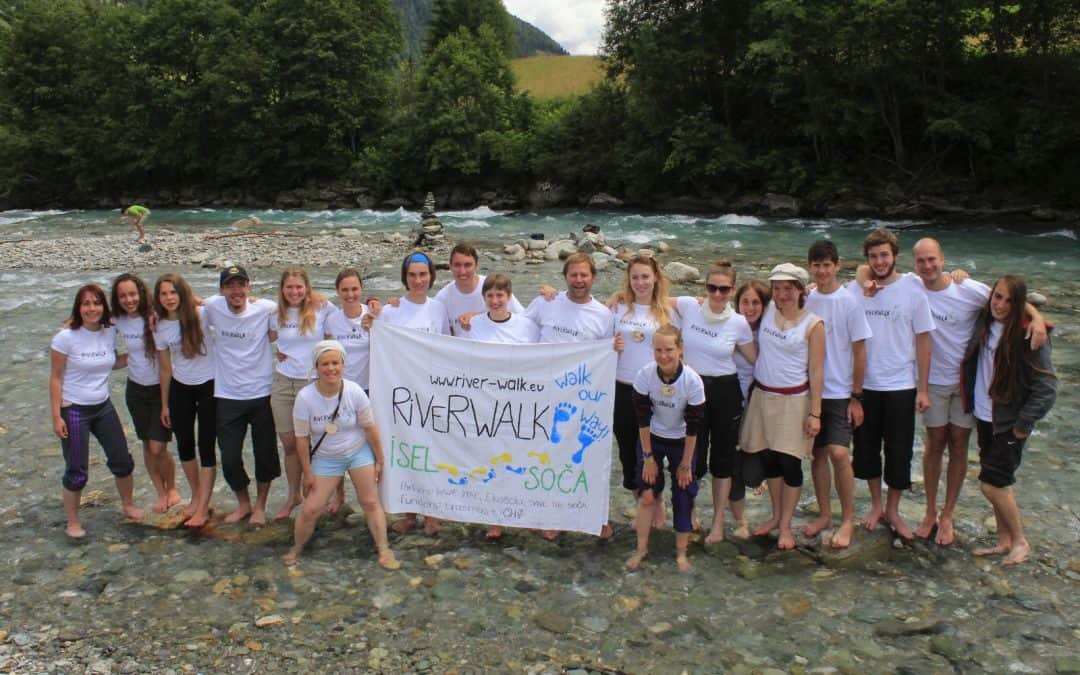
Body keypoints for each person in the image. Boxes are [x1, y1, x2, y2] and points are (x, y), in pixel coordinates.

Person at [861, 238, 1046, 545]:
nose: (927, 266)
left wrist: (1036, 318)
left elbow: (1010, 298)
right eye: (921, 261)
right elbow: (868, 269)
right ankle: (930, 511)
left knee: (959, 446)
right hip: (930, 382)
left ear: (943, 259)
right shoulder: (911, 284)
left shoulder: (967, 289)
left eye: (932, 260)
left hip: (965, 383)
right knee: (934, 445)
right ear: (914, 264)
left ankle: (948, 514)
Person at [963, 275, 1056, 565]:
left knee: (991, 484)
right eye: (997, 297)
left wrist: (1022, 425)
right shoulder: (985, 320)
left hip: (1008, 422)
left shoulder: (1029, 336)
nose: (1000, 304)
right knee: (1000, 482)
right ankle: (1003, 541)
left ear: (1018, 306)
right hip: (984, 415)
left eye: (1008, 300)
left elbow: (1048, 389)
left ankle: (1020, 541)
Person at [526, 252, 619, 539]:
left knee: (590, 456)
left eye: (584, 275)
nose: (579, 280)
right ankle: (551, 516)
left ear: (593, 277)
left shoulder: (604, 316)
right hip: (544, 395)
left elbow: (607, 359)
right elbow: (516, 331)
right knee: (548, 457)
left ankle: (594, 516)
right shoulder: (546, 303)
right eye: (574, 275)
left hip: (584, 399)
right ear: (565, 276)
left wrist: (615, 347)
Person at [282, 341, 399, 570]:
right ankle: (296, 548)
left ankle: (384, 549)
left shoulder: (354, 391)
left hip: (357, 452)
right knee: (310, 509)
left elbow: (369, 428)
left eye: (336, 363)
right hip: (326, 458)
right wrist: (307, 473)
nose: (331, 369)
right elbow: (302, 440)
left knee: (369, 501)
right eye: (325, 364)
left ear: (343, 365)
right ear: (317, 367)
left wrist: (380, 459)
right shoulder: (305, 398)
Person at [849, 228, 935, 540]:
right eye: (873, 256)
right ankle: (875, 504)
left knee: (899, 453)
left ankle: (894, 509)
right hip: (865, 386)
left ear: (895, 256)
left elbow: (924, 342)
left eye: (884, 255)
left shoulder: (913, 290)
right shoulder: (855, 289)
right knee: (867, 450)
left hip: (901, 384)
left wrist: (923, 389)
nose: (879, 261)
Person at [739, 263, 824, 550]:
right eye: (777, 288)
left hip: (794, 401)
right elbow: (737, 309)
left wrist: (815, 413)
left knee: (790, 463)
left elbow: (816, 372)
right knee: (770, 461)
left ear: (801, 290)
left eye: (788, 288)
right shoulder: (768, 311)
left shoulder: (813, 324)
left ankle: (786, 524)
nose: (782, 294)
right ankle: (775, 516)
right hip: (763, 397)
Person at [50, 284, 144, 538]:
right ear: (78, 308)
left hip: (102, 406)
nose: (91, 308)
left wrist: (142, 353)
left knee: (122, 461)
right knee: (77, 470)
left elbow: (112, 362)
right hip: (74, 410)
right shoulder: (65, 338)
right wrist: (57, 416)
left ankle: (127, 505)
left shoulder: (109, 330)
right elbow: (56, 378)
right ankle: (72, 521)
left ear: (104, 306)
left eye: (96, 303)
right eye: (86, 303)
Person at [677, 261, 757, 543]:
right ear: (705, 287)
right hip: (693, 389)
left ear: (732, 290)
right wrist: (615, 297)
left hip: (725, 390)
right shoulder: (688, 307)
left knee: (723, 460)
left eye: (724, 289)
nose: (718, 294)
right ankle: (691, 511)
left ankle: (719, 522)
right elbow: (648, 294)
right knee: (692, 455)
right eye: (712, 288)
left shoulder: (738, 323)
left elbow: (757, 359)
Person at [374, 251, 450, 536]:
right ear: (404, 278)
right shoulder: (392, 310)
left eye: (423, 274)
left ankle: (432, 514)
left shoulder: (438, 308)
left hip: (432, 391)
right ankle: (409, 513)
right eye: (412, 275)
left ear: (431, 276)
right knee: (406, 452)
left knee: (432, 452)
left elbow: (445, 346)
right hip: (402, 392)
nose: (418, 280)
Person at [459, 273, 540, 539]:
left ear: (509, 297)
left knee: (520, 461)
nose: (495, 301)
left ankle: (527, 514)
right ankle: (495, 518)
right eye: (490, 296)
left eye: (500, 295)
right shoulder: (473, 325)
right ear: (483, 298)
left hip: (519, 406)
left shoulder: (526, 326)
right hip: (485, 406)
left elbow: (540, 362)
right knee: (491, 461)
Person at [802, 241, 871, 549]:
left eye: (827, 265)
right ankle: (825, 514)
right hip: (809, 389)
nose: (822, 271)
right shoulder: (807, 299)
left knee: (840, 453)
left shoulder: (849, 302)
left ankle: (847, 519)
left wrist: (857, 396)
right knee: (816, 454)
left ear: (838, 265)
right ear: (810, 267)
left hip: (839, 390)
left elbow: (860, 352)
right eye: (816, 265)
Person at [203, 265, 281, 526]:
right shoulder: (213, 307)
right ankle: (243, 503)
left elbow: (298, 308)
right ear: (222, 289)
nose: (236, 291)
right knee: (229, 457)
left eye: (241, 285)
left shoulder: (265, 308)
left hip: (261, 393)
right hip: (227, 395)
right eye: (230, 285)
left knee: (265, 454)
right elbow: (184, 303)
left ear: (249, 287)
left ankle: (260, 506)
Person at [627, 326, 706, 572]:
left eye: (669, 350)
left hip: (682, 440)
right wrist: (648, 457)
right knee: (647, 495)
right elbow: (642, 420)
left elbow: (694, 428)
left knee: (683, 494)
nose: (663, 356)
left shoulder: (692, 381)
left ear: (680, 349)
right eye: (658, 350)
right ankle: (641, 549)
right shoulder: (645, 375)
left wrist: (685, 465)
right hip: (653, 438)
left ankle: (681, 553)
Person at [610, 255, 675, 531]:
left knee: (653, 451)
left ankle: (657, 502)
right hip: (623, 389)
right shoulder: (617, 307)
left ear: (656, 278)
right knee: (628, 452)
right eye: (635, 277)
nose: (640, 282)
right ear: (629, 279)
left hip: (656, 391)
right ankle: (641, 502)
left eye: (645, 276)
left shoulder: (669, 310)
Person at [111, 274, 180, 515]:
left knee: (158, 447)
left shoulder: (155, 315)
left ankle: (171, 487)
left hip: (161, 388)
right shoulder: (116, 320)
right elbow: (87, 322)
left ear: (141, 293)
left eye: (132, 294)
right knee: (146, 443)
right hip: (135, 389)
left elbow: (186, 302)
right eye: (123, 296)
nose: (129, 300)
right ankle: (159, 492)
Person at [269, 267, 333, 520]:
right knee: (290, 445)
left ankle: (319, 497)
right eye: (289, 287)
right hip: (284, 383)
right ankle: (293, 494)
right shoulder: (274, 314)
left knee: (319, 443)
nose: (294, 292)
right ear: (282, 290)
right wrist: (275, 351)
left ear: (307, 287)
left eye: (299, 287)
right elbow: (261, 336)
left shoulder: (322, 309)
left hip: (313, 384)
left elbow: (346, 324)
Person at [154, 273, 217, 528]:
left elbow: (236, 305)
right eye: (164, 294)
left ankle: (203, 506)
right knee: (185, 445)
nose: (169, 298)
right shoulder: (158, 325)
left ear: (183, 294)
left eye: (173, 292)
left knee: (206, 446)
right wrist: (165, 403)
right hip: (181, 387)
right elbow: (165, 368)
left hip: (210, 385)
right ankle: (195, 496)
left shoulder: (203, 315)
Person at [323, 268, 374, 513]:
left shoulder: (374, 315)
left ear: (361, 289)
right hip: (338, 390)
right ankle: (339, 495)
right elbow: (326, 353)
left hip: (368, 389)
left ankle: (374, 499)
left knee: (370, 444)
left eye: (354, 289)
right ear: (338, 292)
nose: (350, 294)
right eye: (345, 290)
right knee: (336, 442)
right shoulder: (332, 319)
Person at [434, 242, 524, 335]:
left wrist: (479, 318)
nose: (462, 271)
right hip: (462, 347)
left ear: (477, 266)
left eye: (468, 265)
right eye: (457, 265)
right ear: (450, 267)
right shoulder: (443, 297)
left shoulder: (492, 286)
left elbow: (523, 318)